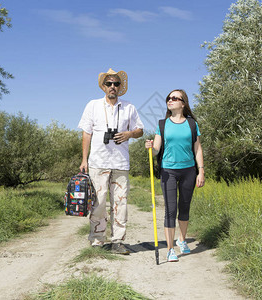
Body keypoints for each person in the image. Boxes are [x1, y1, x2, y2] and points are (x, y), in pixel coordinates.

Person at [78, 68, 144, 255]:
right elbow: (86, 132)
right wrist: (84, 159)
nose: (113, 86)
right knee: (98, 203)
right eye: (109, 83)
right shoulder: (92, 105)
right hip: (98, 162)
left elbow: (140, 130)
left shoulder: (129, 107)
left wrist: (129, 133)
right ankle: (97, 240)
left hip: (121, 163)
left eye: (116, 83)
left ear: (120, 86)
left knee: (120, 204)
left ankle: (118, 241)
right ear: (103, 86)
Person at [145, 89, 205, 262]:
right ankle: (170, 249)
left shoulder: (192, 124)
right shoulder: (162, 124)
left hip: (188, 170)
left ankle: (182, 240)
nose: (170, 100)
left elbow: (197, 148)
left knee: (184, 208)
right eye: (168, 98)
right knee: (170, 210)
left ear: (183, 103)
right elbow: (156, 149)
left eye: (174, 98)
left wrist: (201, 171)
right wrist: (150, 147)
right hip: (168, 171)